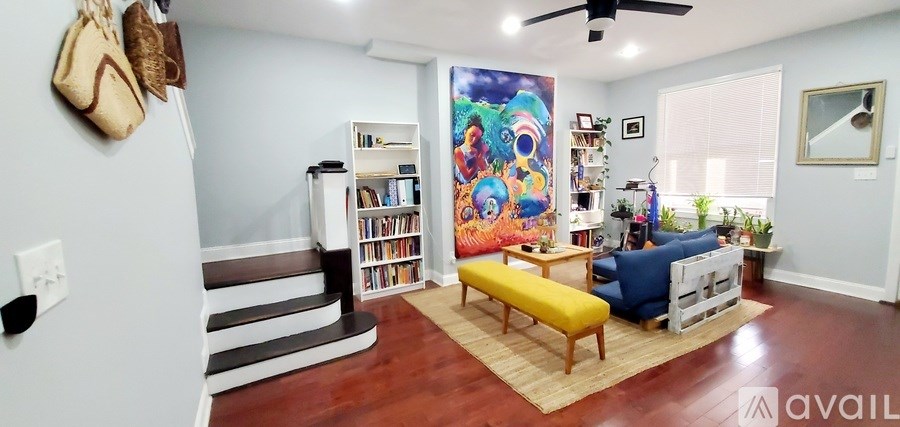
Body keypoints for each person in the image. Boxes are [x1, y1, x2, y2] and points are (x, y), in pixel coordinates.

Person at [454, 115, 489, 183]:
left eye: (478, 138)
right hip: (464, 185)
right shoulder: (459, 151)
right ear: (465, 132)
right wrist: (478, 157)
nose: (474, 140)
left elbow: (485, 171)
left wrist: (481, 154)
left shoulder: (478, 150)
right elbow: (466, 177)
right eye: (472, 135)